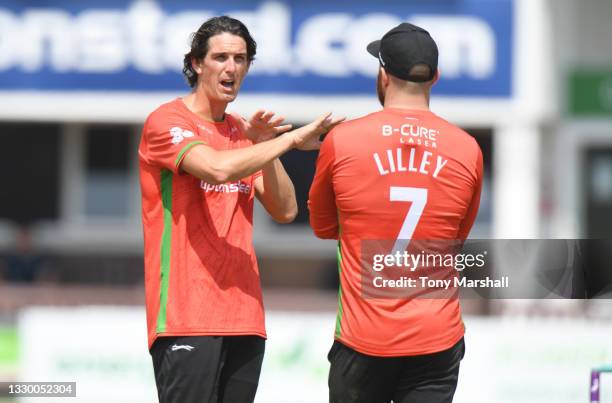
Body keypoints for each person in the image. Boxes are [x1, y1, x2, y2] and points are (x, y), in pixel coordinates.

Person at [138, 16, 342, 403]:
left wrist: (264, 147)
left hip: (245, 317)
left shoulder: (242, 132)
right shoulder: (167, 122)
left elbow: (285, 210)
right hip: (186, 317)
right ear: (197, 63)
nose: (231, 68)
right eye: (220, 57)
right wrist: (291, 139)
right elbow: (216, 169)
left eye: (241, 58)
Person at [308, 23, 483, 403]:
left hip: (364, 337)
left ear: (383, 75)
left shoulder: (342, 140)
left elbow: (323, 227)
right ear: (435, 77)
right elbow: (457, 238)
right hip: (437, 336)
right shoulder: (467, 148)